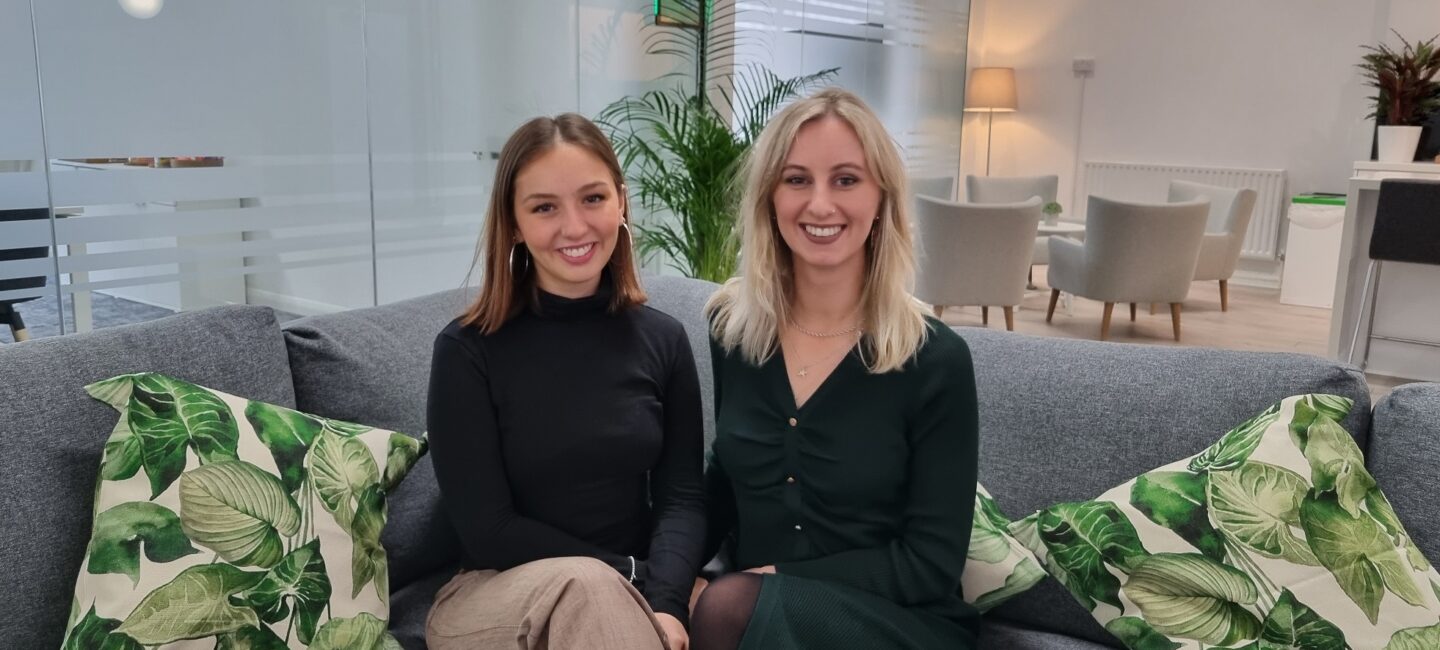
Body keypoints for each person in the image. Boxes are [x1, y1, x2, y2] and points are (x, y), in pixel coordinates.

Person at [691, 88, 980, 649]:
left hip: (895, 621)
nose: (820, 205)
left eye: (846, 179)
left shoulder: (935, 359)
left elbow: (929, 565)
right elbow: (724, 485)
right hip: (753, 617)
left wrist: (765, 581)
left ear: (881, 200)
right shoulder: (732, 332)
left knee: (725, 607)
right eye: (797, 179)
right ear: (769, 198)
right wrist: (666, 576)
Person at [425, 113, 705, 650]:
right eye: (545, 207)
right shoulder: (467, 351)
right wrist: (630, 575)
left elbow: (681, 497)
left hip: (625, 587)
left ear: (621, 201)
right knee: (590, 586)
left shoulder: (664, 339)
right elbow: (489, 530)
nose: (575, 227)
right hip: (493, 592)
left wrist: (668, 603)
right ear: (513, 223)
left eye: (593, 199)